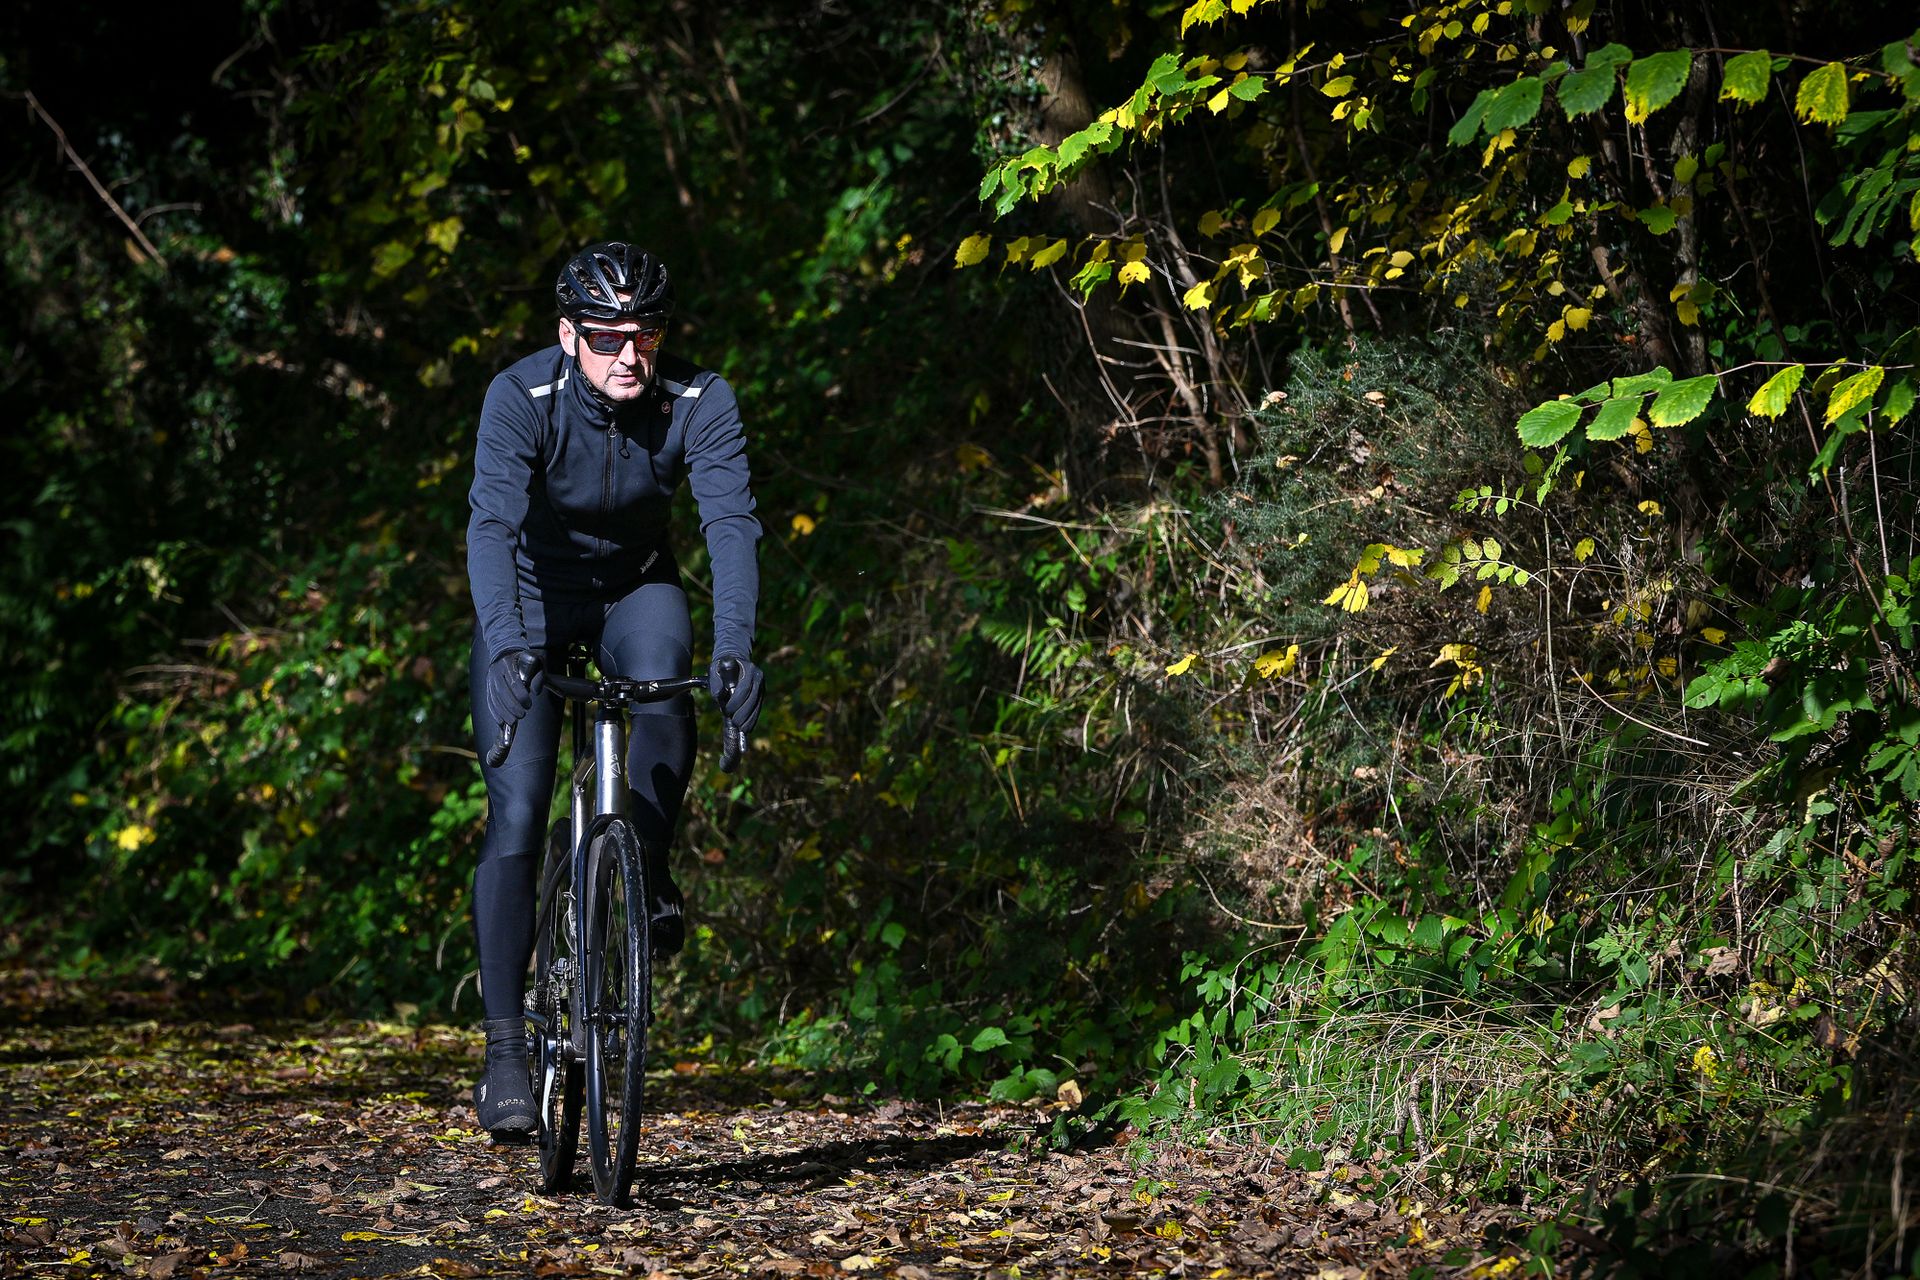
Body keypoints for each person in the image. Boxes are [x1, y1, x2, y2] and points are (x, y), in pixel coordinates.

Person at [463, 241, 764, 1137]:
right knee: (516, 811)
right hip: (530, 592)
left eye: (646, 334)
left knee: (668, 691)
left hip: (636, 584)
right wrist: (512, 646)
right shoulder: (522, 397)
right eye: (606, 337)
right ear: (569, 334)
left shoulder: (699, 401)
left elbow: (731, 521)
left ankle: (645, 863)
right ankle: (507, 1047)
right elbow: (489, 524)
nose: (629, 354)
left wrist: (739, 648)